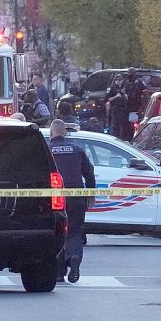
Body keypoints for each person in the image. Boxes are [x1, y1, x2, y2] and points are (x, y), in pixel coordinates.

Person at [49, 120, 95, 284]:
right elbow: (89, 173)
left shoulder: (47, 150)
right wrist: (91, 194)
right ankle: (73, 256)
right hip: (77, 197)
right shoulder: (77, 150)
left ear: (51, 133)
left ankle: (59, 272)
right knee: (75, 231)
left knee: (57, 231)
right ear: (65, 133)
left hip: (54, 198)